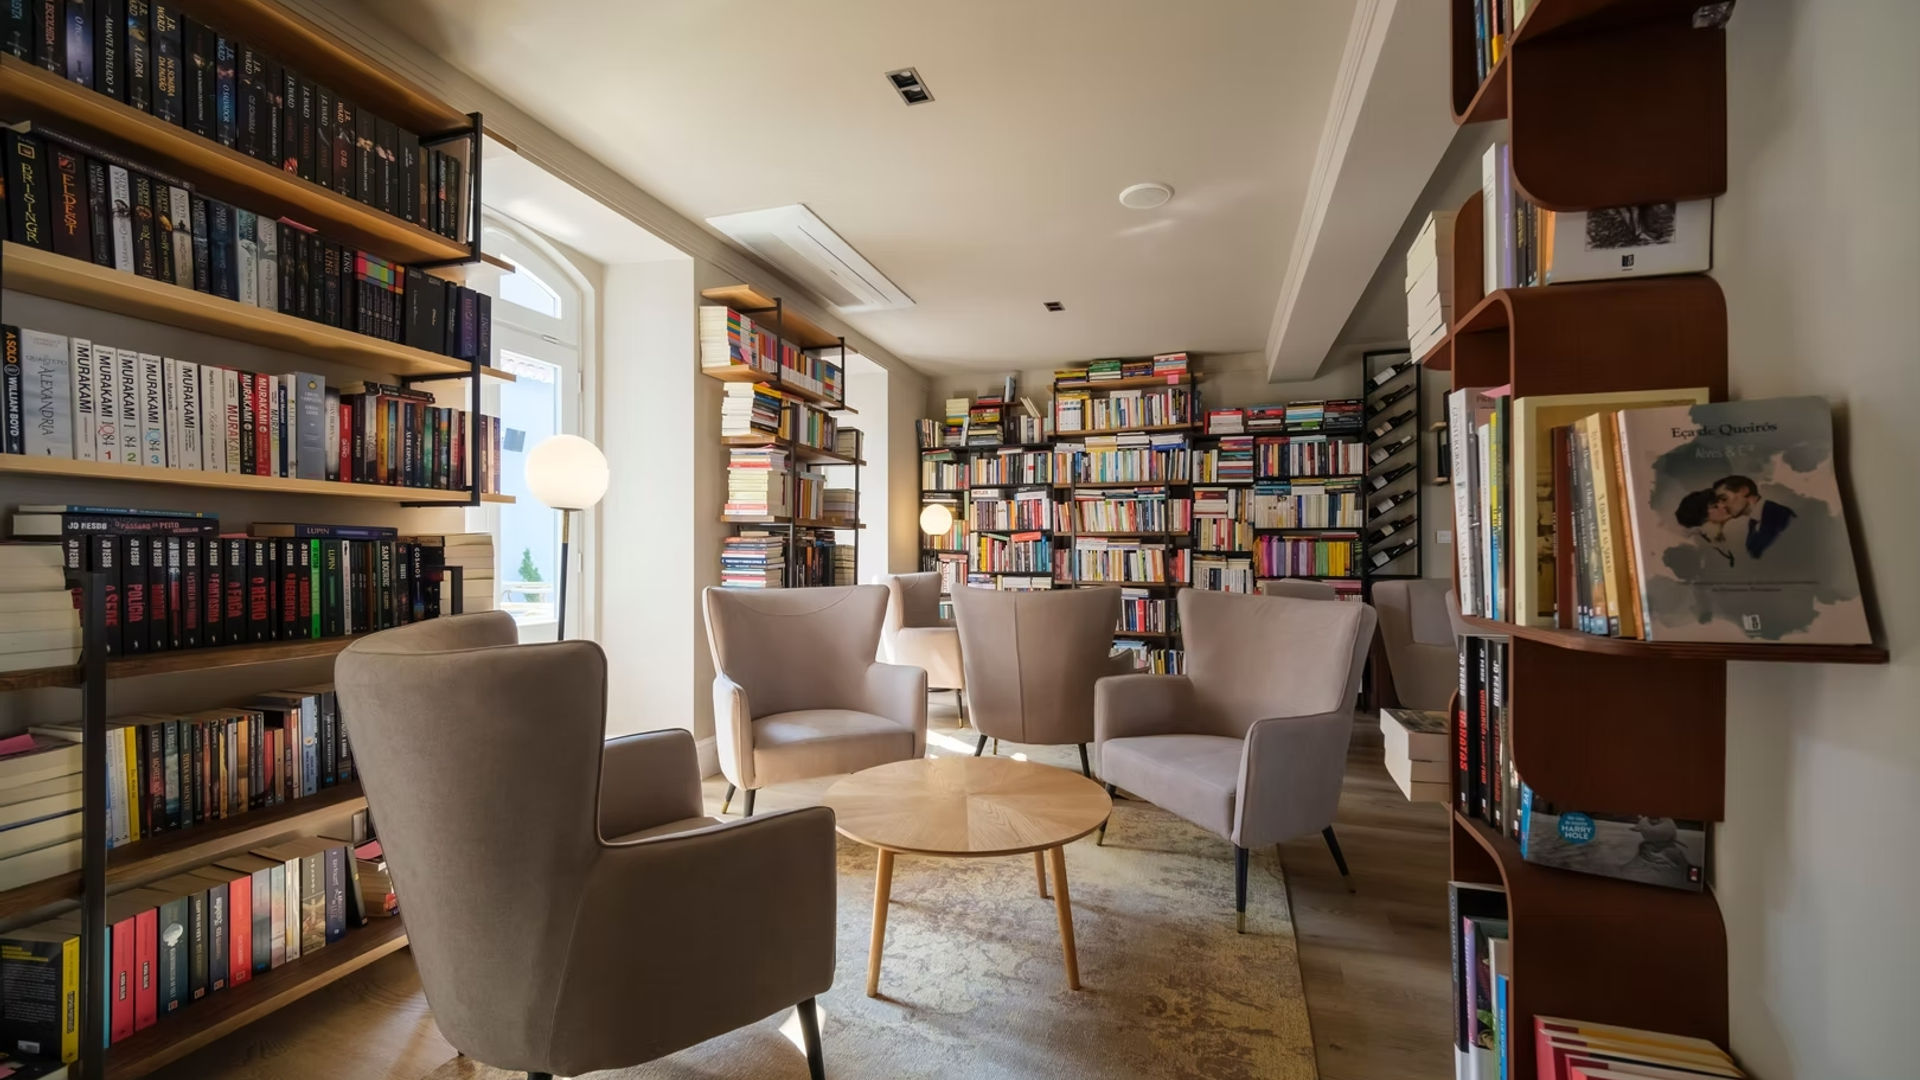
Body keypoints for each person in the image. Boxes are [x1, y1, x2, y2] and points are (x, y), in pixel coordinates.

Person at [1713, 475, 1795, 559]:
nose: (1721, 506)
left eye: (1724, 499)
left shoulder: (1782, 516)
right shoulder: (1753, 523)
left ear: (1744, 491)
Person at [1674, 489, 1736, 567]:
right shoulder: (1699, 550)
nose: (1723, 506)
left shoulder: (1728, 535)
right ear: (1703, 516)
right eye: (1715, 506)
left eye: (1721, 502)